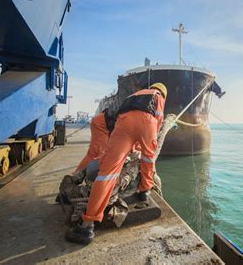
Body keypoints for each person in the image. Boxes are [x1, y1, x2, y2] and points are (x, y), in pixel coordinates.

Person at [65, 83, 167, 245]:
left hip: (123, 124)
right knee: (148, 159)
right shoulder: (158, 95)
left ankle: (87, 226)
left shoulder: (135, 95)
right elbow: (158, 119)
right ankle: (144, 191)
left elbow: (124, 116)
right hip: (148, 123)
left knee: (107, 173)